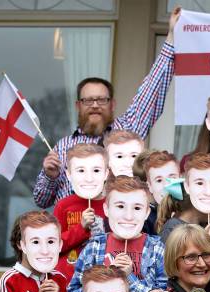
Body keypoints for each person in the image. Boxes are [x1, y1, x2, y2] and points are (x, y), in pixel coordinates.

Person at [33, 8, 181, 208]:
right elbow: (41, 201)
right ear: (78, 106)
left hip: (121, 232)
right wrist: (49, 176)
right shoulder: (62, 148)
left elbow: (151, 88)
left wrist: (171, 37)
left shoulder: (128, 130)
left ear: (112, 105)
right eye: (88, 100)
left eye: (101, 100)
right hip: (75, 237)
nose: (95, 106)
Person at [68, 176, 167, 292]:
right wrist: (107, 282)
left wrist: (129, 278)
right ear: (106, 209)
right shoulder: (94, 248)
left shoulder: (157, 249)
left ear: (147, 213)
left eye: (137, 208)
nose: (128, 216)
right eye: (120, 206)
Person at [53, 143, 107, 281]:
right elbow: (54, 245)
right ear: (69, 175)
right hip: (68, 279)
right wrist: (81, 227)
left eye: (96, 171)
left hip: (101, 279)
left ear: (106, 173)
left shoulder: (112, 205)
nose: (89, 178)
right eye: (81, 171)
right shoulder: (64, 206)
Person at [141, 150, 181, 235]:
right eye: (159, 180)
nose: (166, 186)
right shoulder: (143, 221)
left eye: (172, 178)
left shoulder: (193, 213)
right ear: (150, 186)